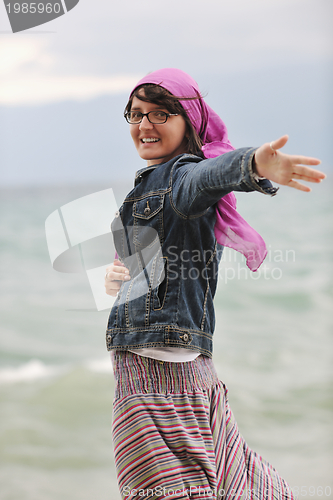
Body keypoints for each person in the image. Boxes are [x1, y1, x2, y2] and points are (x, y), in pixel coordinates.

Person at [104, 68, 325, 500]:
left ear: (190, 120)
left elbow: (209, 175)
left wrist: (254, 163)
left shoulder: (182, 178)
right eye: (135, 114)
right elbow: (153, 268)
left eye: (160, 114)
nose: (144, 125)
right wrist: (119, 275)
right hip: (194, 373)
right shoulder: (153, 184)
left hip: (153, 376)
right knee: (236, 482)